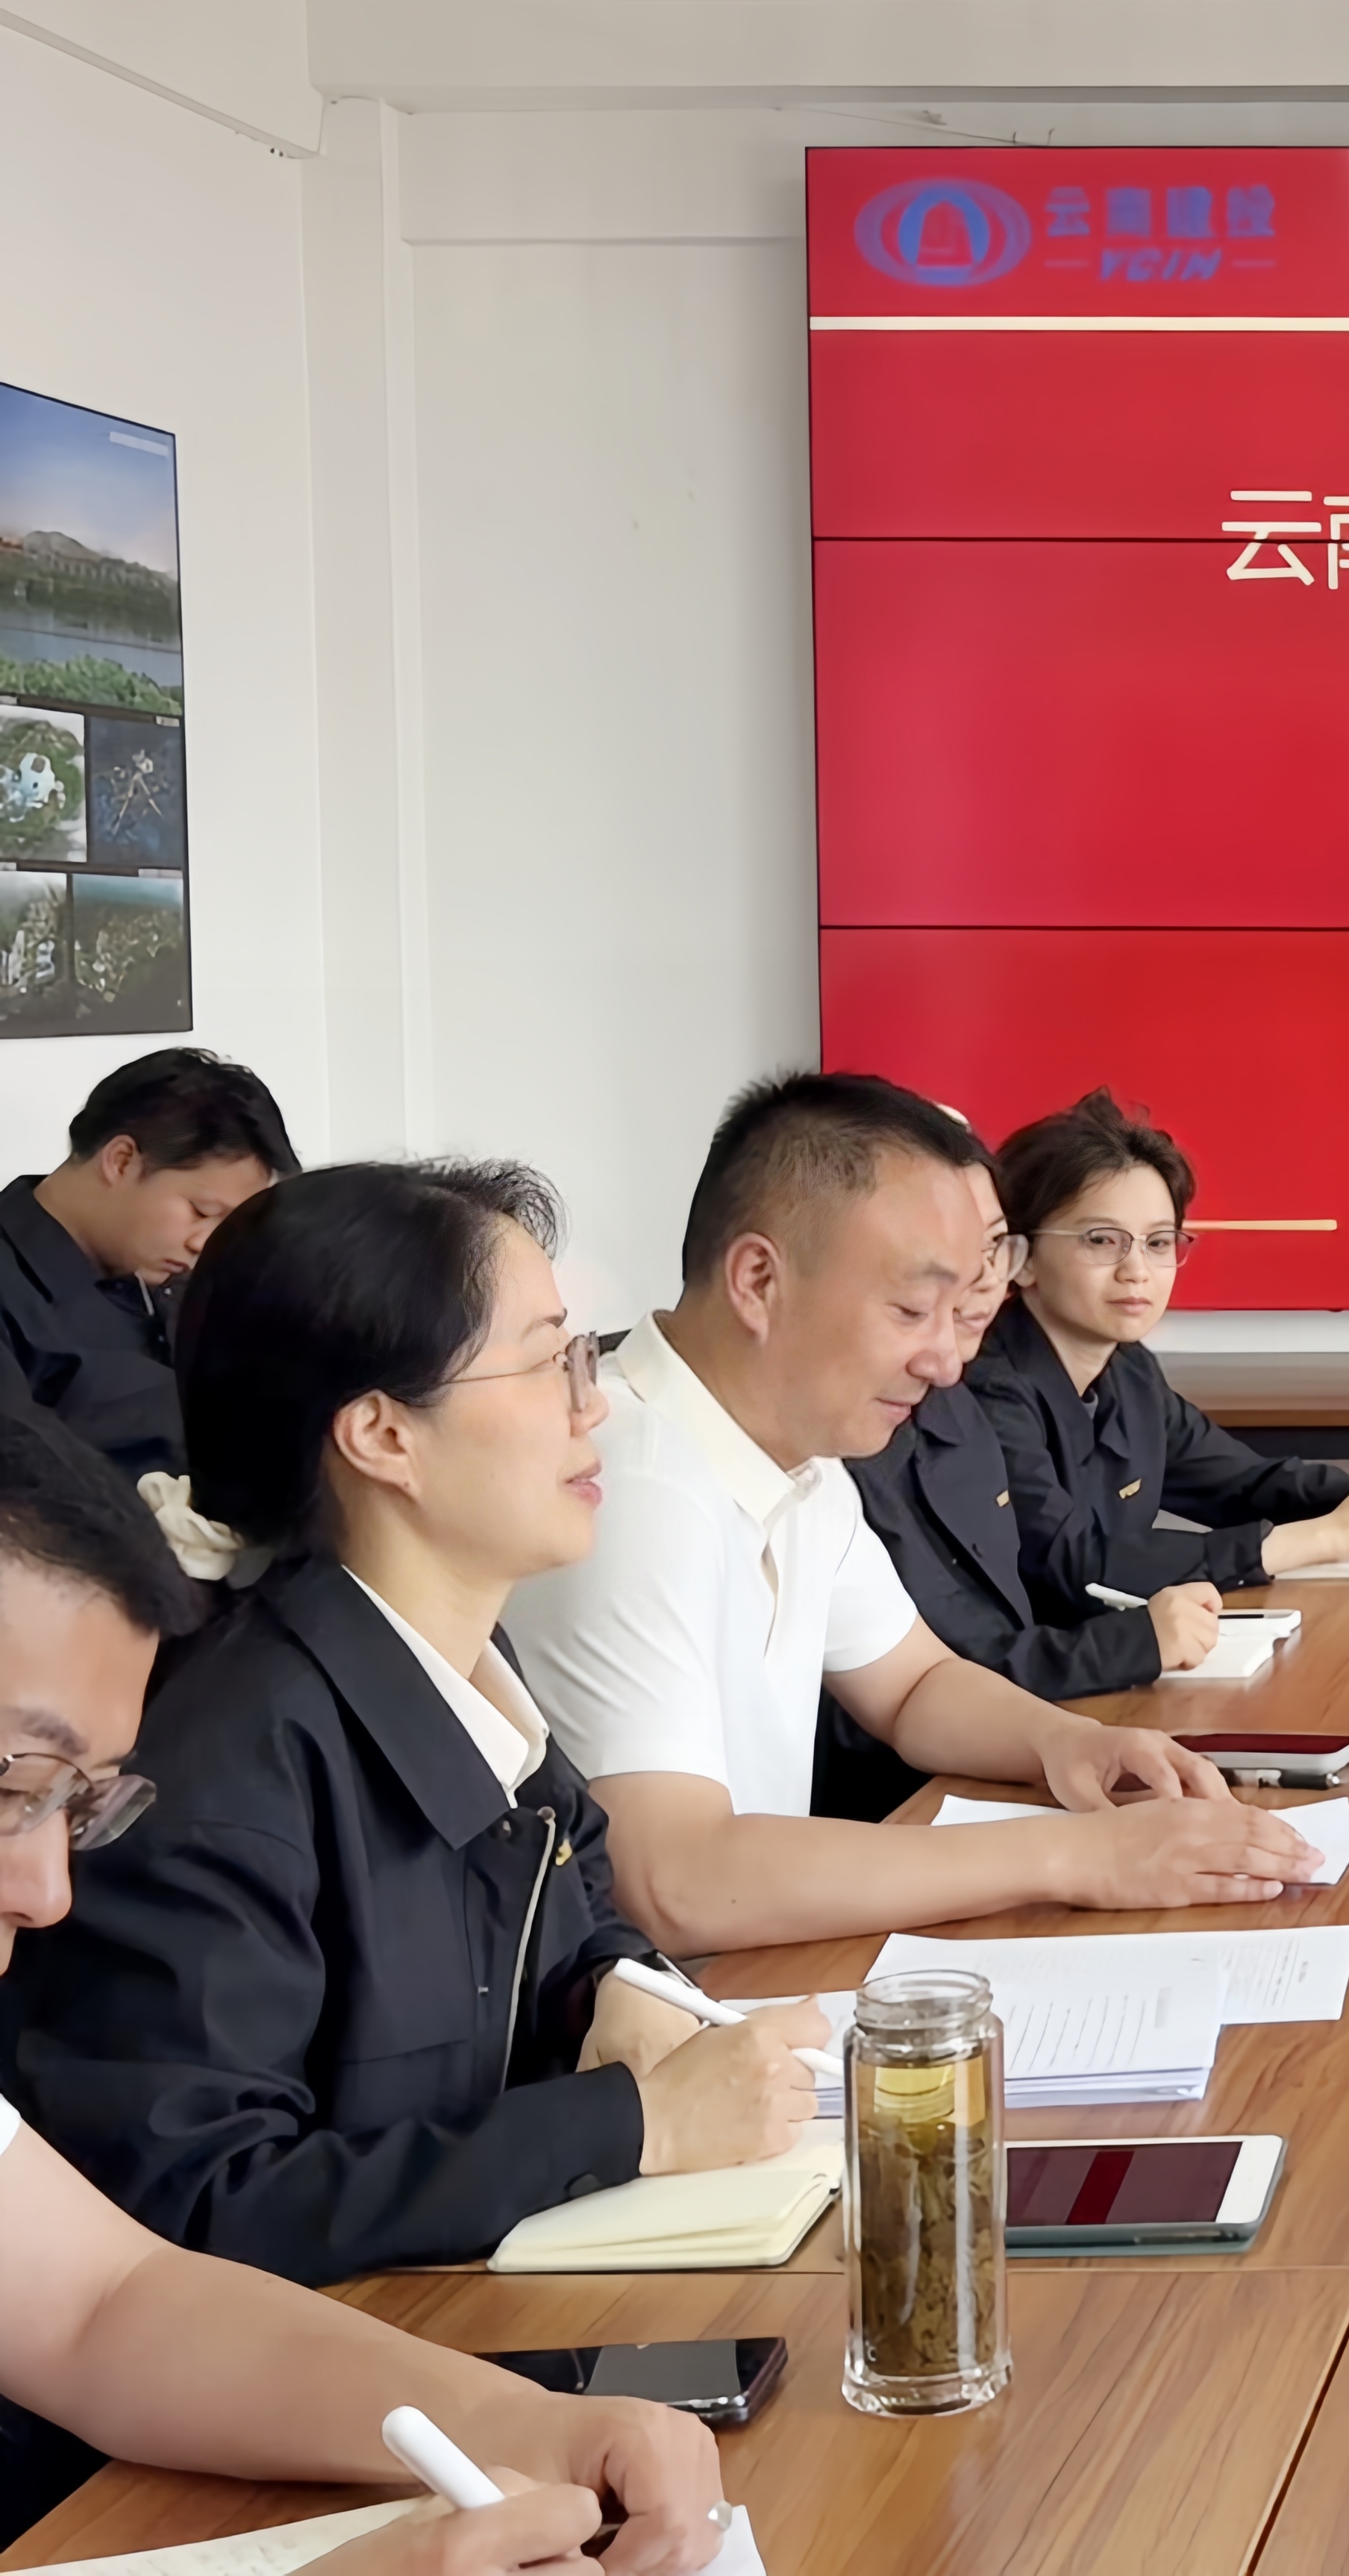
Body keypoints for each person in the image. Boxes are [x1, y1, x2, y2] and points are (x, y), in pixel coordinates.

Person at [1, 1163, 826, 2285]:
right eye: (547, 1363)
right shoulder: (223, 1770)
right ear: (383, 1434)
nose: (591, 1406)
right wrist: (635, 2124)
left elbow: (574, 1901)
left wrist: (618, 1985)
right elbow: (192, 2207)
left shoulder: (464, 1659)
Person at [0, 1410, 727, 2572]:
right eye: (16, 1790)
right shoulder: (250, 1737)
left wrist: (533, 2428)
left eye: (80, 1807)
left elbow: (104, 2303)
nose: (48, 1891)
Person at [500, 1073, 1324, 1954]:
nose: (946, 1362)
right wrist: (1078, 1856)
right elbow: (675, 1879)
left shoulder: (801, 1460)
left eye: (958, 1308)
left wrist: (1073, 1746)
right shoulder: (629, 1478)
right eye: (910, 1309)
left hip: (754, 1971)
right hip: (660, 2008)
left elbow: (914, 1685)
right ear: (757, 1280)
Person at [822, 1149, 1227, 1822]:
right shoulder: (849, 1439)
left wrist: (1077, 1744)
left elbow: (923, 1683)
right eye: (1103, 1240)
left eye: (993, 1248)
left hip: (985, 1761)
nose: (984, 1280)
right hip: (886, 1806)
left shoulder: (957, 1405)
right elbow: (1060, 1571)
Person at [972, 1091, 1349, 1622]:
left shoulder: (1129, 1370)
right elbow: (1068, 1562)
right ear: (1019, 1257)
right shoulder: (983, 1388)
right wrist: (1327, 1537)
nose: (1137, 1270)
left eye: (1159, 1243)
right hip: (1015, 1663)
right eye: (1102, 1240)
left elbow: (1243, 1485)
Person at [0, 1048, 295, 1480]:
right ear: (121, 1161)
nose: (205, 1243)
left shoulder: (176, 1278)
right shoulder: (12, 1293)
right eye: (200, 1210)